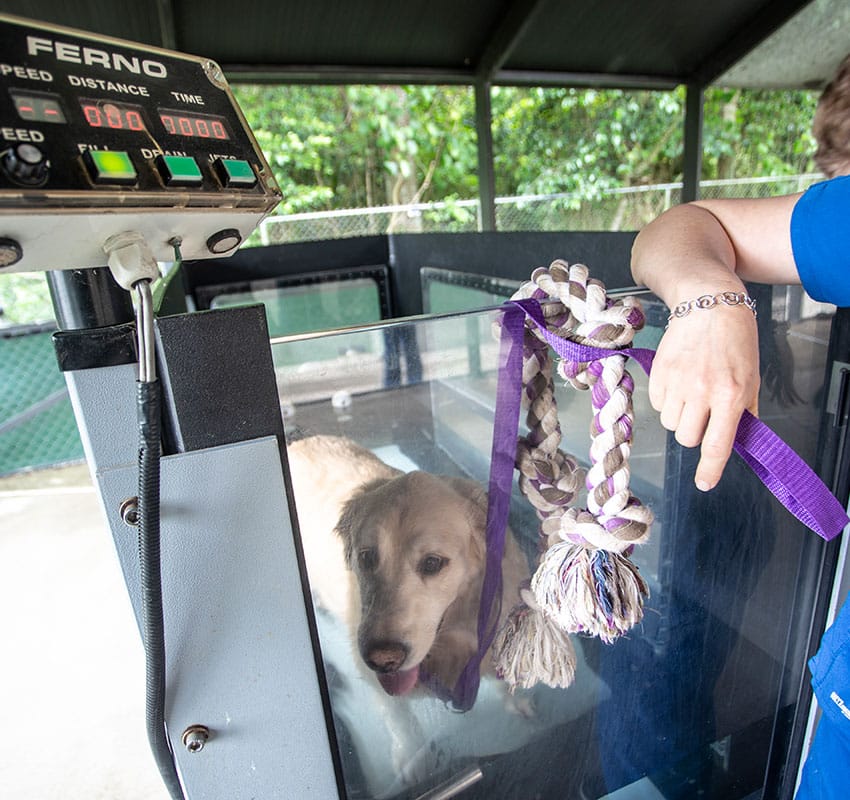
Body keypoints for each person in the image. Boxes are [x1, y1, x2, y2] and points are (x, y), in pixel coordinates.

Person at [629, 54, 850, 800]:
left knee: (695, 626)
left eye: (835, 162)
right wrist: (711, 297)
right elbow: (683, 230)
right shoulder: (836, 230)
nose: (831, 179)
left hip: (738, 510)